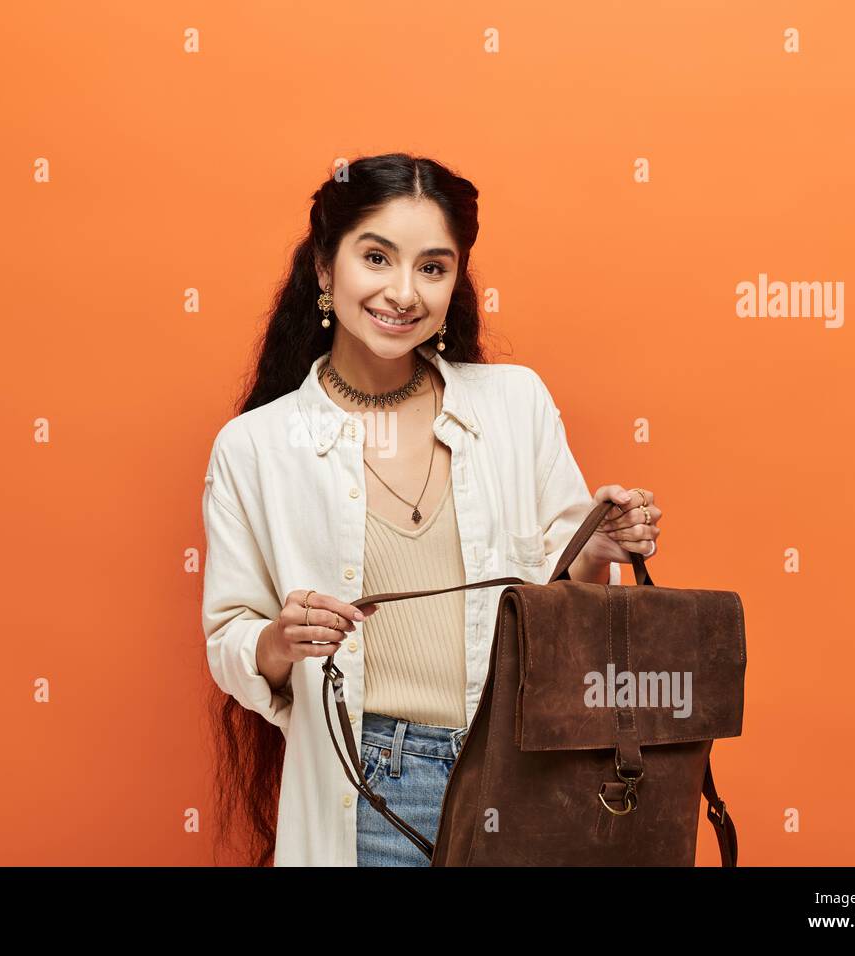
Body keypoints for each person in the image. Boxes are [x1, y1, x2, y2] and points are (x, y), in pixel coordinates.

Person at [201, 153, 661, 867]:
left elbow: (564, 620)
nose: (402, 292)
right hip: (373, 790)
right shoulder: (255, 447)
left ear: (455, 281)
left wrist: (596, 549)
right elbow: (230, 635)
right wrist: (279, 641)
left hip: (523, 773)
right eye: (377, 257)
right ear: (326, 268)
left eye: (433, 267)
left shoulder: (515, 404)